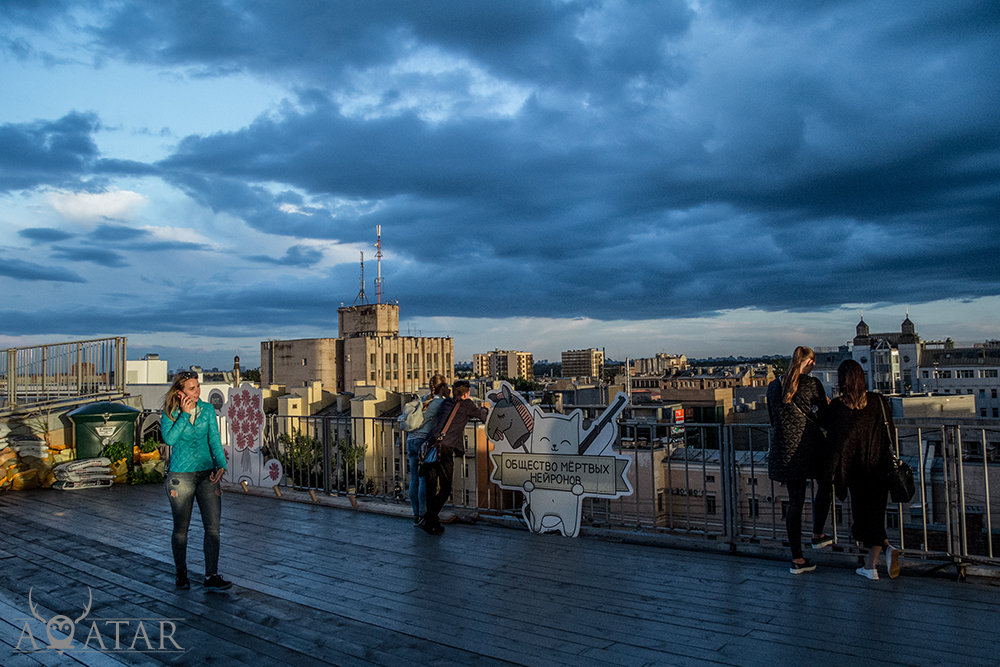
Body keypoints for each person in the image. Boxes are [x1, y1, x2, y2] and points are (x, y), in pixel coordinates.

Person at [826, 359, 900, 581]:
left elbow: (830, 432)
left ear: (842, 381)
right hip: (879, 466)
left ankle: (871, 566)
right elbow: (890, 431)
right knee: (875, 515)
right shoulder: (878, 401)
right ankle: (885, 549)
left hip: (855, 471)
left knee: (862, 518)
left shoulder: (839, 407)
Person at [160, 371, 232, 592]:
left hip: (207, 475)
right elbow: (169, 439)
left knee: (213, 527)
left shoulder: (207, 410)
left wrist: (221, 465)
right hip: (180, 477)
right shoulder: (170, 413)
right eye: (192, 388)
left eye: (198, 386)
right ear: (180, 392)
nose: (197, 391)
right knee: (181, 529)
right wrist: (184, 414)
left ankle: (211, 575)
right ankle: (181, 573)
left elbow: (214, 439)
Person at [766, 346, 833, 574]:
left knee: (795, 502)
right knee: (826, 482)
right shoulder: (813, 384)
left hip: (785, 452)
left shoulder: (774, 386)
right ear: (811, 363)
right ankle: (817, 533)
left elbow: (773, 420)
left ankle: (797, 559)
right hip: (811, 449)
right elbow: (824, 419)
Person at [422, 379, 488, 535]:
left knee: (431, 488)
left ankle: (431, 521)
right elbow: (483, 417)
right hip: (445, 449)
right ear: (467, 393)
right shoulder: (467, 405)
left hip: (431, 446)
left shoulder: (446, 403)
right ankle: (429, 519)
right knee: (445, 488)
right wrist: (484, 409)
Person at [405, 374, 450, 526]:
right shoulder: (441, 403)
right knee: (424, 478)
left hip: (410, 440)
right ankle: (424, 514)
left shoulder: (423, 399)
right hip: (423, 442)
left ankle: (415, 514)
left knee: (414, 479)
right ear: (442, 387)